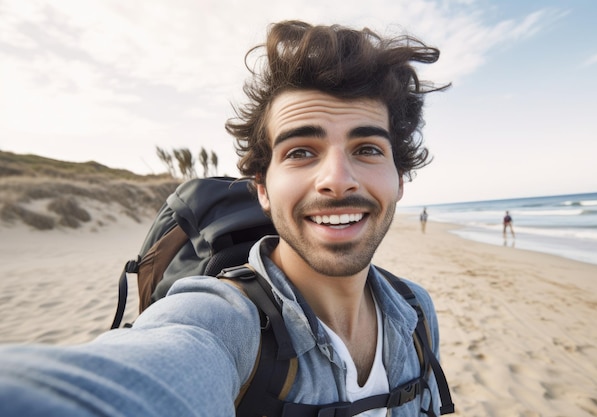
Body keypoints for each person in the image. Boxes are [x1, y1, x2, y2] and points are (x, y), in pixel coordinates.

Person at [0, 20, 449, 416]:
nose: (336, 179)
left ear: (400, 179)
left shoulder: (415, 311)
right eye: (300, 152)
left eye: (367, 149)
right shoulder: (220, 321)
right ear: (262, 189)